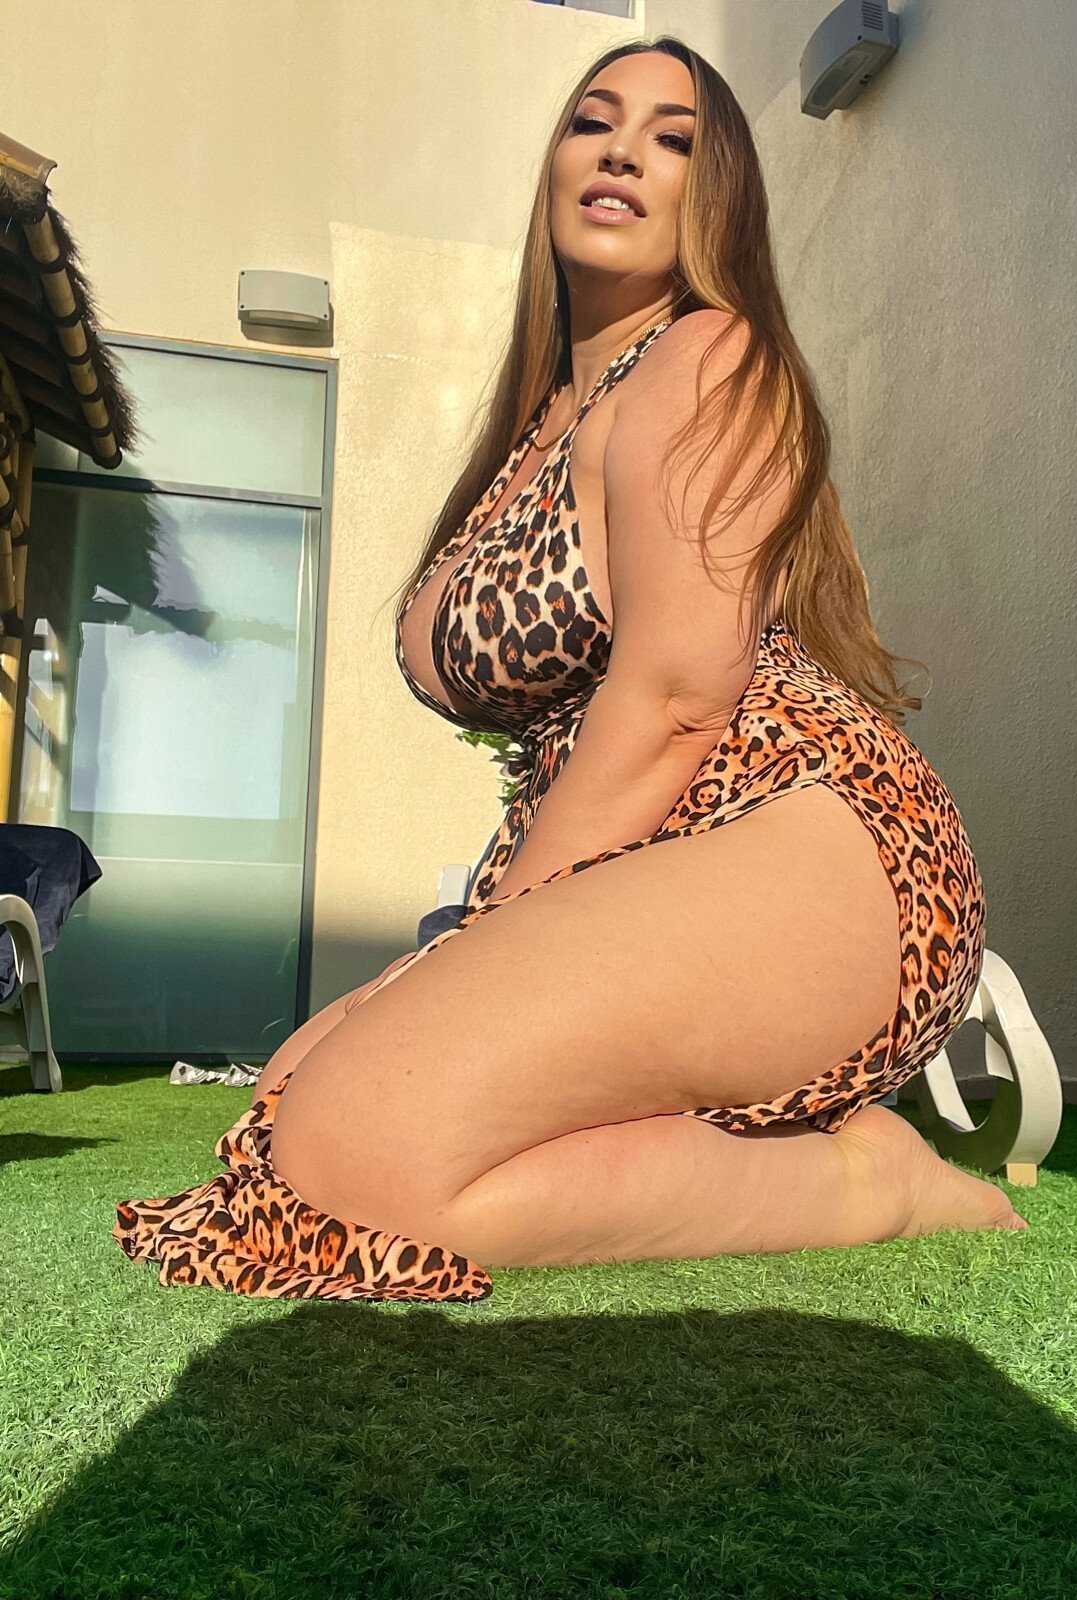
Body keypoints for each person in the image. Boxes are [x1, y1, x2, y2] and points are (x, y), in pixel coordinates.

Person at [114, 35, 1027, 1305]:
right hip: (644, 847)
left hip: (800, 821)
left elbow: (675, 696)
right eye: (594, 121)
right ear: (552, 164)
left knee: (356, 1144)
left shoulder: (712, 354)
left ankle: (867, 1181)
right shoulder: (538, 423)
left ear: (718, 198)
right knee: (289, 1107)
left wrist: (474, 941)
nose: (622, 152)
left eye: (672, 139)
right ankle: (758, 1142)